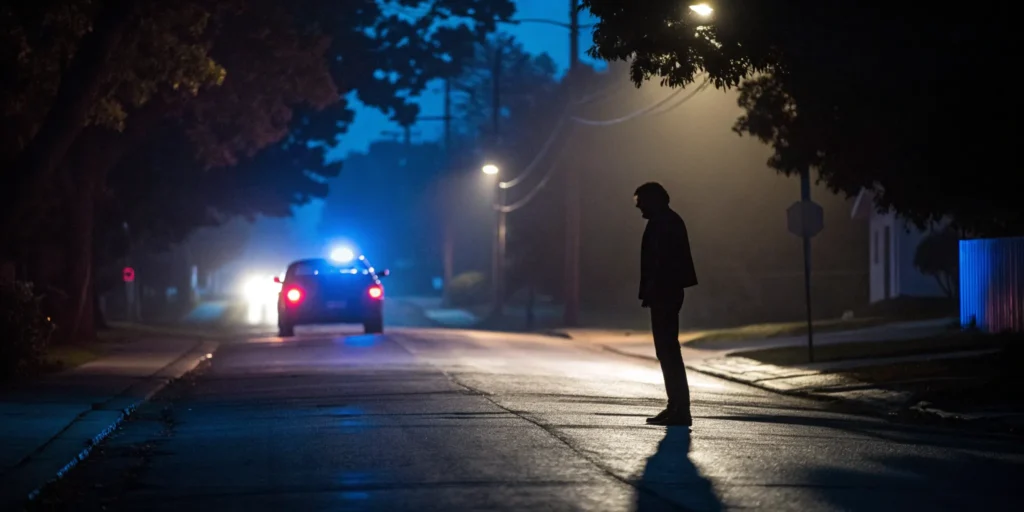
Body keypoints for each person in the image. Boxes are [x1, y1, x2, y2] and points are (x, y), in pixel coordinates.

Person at [635, 182, 698, 426]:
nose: (638, 206)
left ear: (653, 199)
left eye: (641, 200)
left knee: (668, 350)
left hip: (666, 293)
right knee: (666, 350)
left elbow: (661, 263)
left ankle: (680, 408)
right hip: (664, 293)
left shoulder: (665, 223)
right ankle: (675, 406)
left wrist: (654, 291)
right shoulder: (664, 221)